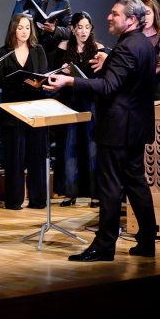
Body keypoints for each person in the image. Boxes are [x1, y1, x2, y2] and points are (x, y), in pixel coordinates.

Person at [45, 0, 158, 262]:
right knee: (136, 183)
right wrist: (109, 65)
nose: (109, 16)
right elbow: (127, 81)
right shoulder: (142, 43)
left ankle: (105, 245)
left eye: (115, 13)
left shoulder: (127, 47)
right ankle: (146, 241)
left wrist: (68, 82)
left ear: (131, 19)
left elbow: (108, 87)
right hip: (135, 126)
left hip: (119, 128)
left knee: (110, 187)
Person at [0, 13, 48, 210]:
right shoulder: (3, 51)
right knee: (14, 157)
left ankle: (38, 200)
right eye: (20, 27)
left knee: (37, 156)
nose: (24, 31)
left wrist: (37, 83)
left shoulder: (38, 50)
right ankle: (14, 201)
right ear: (13, 29)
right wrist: (17, 81)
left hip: (35, 108)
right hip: (12, 110)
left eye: (27, 27)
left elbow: (43, 77)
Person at [53, 12, 104, 208]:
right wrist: (62, 71)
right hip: (70, 100)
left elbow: (102, 80)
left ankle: (95, 194)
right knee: (70, 145)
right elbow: (53, 76)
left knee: (92, 147)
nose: (83, 31)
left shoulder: (99, 49)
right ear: (73, 29)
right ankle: (69, 191)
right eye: (79, 27)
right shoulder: (63, 48)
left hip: (91, 102)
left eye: (87, 27)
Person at [12, 0, 72, 69]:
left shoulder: (62, 3)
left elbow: (70, 32)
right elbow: (12, 32)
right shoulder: (21, 4)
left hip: (55, 57)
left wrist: (54, 29)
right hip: (29, 55)